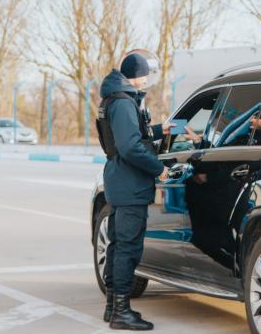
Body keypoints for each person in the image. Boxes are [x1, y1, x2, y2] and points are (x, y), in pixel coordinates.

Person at [97, 50, 173, 331]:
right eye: (144, 76)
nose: (146, 81)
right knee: (127, 249)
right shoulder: (124, 102)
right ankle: (121, 312)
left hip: (120, 180)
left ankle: (112, 307)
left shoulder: (115, 98)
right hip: (129, 183)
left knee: (118, 246)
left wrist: (160, 130)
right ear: (136, 75)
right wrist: (158, 168)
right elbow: (130, 146)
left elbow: (129, 135)